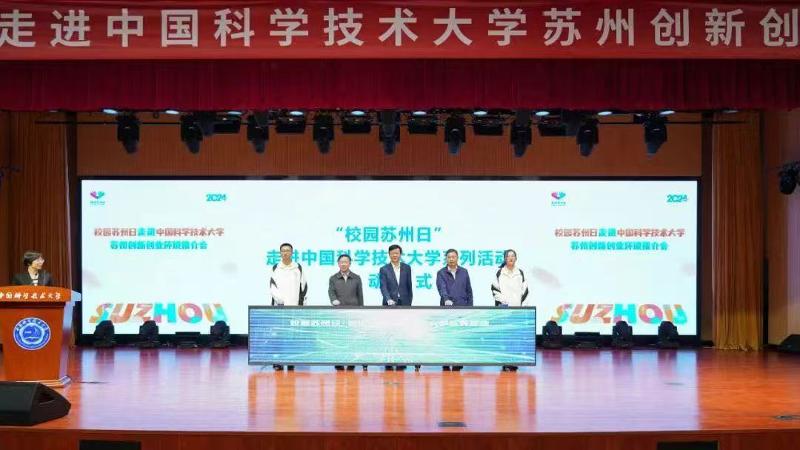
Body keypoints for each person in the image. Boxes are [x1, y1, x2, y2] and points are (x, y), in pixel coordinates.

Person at [269, 243, 307, 371]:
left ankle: (291, 360)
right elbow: (272, 286)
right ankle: (278, 361)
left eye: (288, 250)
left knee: (292, 334)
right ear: (280, 253)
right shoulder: (276, 268)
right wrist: (280, 300)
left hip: (294, 307)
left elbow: (304, 287)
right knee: (278, 334)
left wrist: (301, 305)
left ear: (292, 252)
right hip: (279, 307)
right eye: (283, 251)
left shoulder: (298, 268)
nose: (285, 253)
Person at [491, 249, 530, 372]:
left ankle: (514, 360)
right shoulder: (499, 273)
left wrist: (523, 307)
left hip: (517, 309)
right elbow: (494, 290)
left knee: (516, 336)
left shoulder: (520, 273)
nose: (511, 258)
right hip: (504, 309)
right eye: (508, 256)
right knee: (505, 336)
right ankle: (505, 361)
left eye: (513, 256)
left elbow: (525, 291)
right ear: (505, 259)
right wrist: (504, 301)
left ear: (516, 258)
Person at [379, 244, 414, 371]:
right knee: (389, 332)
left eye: (397, 253)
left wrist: (409, 303)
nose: (395, 255)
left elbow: (409, 287)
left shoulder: (407, 268)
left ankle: (400, 360)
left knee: (402, 332)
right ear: (389, 254)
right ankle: (388, 360)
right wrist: (388, 299)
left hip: (404, 304)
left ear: (400, 254)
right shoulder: (384, 269)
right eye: (392, 253)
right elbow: (383, 286)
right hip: (389, 305)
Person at [436, 249, 473, 371]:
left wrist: (470, 308)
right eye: (449, 257)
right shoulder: (441, 273)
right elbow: (441, 288)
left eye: (453, 257)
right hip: (447, 309)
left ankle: (458, 360)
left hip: (462, 308)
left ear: (457, 258)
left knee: (460, 336)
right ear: (446, 259)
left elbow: (469, 290)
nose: (451, 259)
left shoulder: (464, 272)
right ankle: (446, 361)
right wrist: (446, 299)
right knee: (447, 336)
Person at [328, 254, 364, 371]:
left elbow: (360, 295)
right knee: (339, 337)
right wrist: (333, 300)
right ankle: (339, 361)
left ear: (350, 263)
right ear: (338, 264)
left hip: (353, 311)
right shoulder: (333, 278)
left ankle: (351, 361)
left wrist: (361, 310)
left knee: (352, 337)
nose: (343, 264)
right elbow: (331, 292)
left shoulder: (356, 278)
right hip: (339, 312)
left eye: (346, 262)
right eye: (341, 262)